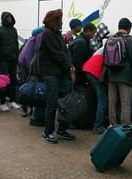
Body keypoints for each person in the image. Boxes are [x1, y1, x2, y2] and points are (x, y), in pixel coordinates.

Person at [37, 9, 76, 144]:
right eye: (59, 20)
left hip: (60, 72)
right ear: (53, 21)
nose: (62, 22)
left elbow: (65, 51)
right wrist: (70, 68)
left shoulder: (57, 34)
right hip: (51, 73)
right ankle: (47, 132)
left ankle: (61, 129)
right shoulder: (48, 34)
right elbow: (57, 54)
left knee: (65, 102)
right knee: (52, 103)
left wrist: (70, 66)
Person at [105, 18, 132, 126]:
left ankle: (112, 125)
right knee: (125, 103)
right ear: (129, 28)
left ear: (119, 27)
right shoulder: (131, 40)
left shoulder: (110, 40)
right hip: (125, 76)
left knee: (112, 102)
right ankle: (125, 125)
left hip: (111, 75)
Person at [0, 11, 21, 111]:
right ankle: (2, 102)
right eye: (7, 17)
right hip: (3, 59)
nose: (9, 19)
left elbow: (16, 44)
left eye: (10, 17)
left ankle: (12, 100)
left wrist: (17, 56)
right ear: (4, 19)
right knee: (4, 81)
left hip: (13, 58)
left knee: (13, 80)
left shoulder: (14, 30)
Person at [82, 47, 107, 134]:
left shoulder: (109, 43)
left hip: (88, 68)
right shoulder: (118, 44)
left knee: (98, 98)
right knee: (102, 100)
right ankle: (98, 126)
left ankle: (95, 122)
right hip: (94, 70)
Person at [69, 22, 96, 87]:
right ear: (89, 31)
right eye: (94, 33)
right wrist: (83, 75)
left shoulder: (83, 39)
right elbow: (77, 61)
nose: (94, 35)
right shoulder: (81, 42)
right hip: (78, 75)